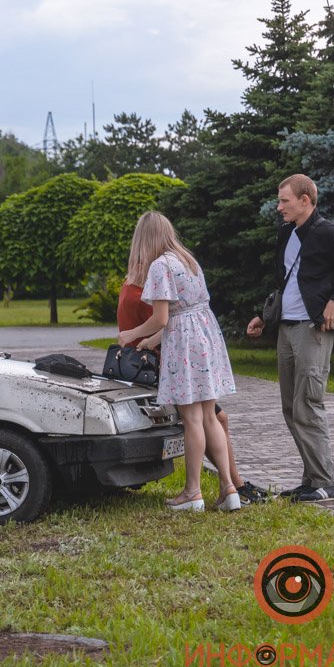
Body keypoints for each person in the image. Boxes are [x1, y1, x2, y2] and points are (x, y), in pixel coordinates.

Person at [247, 174, 334, 502]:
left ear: (305, 200)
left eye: (284, 201)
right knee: (291, 407)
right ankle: (311, 479)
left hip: (312, 330)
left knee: (308, 404)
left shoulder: (330, 233)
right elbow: (286, 282)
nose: (279, 207)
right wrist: (265, 316)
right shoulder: (287, 232)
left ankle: (328, 483)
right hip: (286, 328)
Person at [118, 211, 240, 512]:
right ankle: (228, 489)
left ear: (144, 239)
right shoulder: (187, 260)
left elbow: (161, 318)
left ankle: (192, 492)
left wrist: (131, 334)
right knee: (210, 416)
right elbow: (186, 311)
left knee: (192, 419)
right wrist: (152, 341)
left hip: (184, 344)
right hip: (205, 336)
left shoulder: (160, 266)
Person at [117, 271, 268, 505]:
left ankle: (226, 487)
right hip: (166, 369)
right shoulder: (152, 292)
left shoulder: (131, 285)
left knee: (210, 419)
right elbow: (166, 324)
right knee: (207, 419)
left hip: (153, 366)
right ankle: (230, 486)